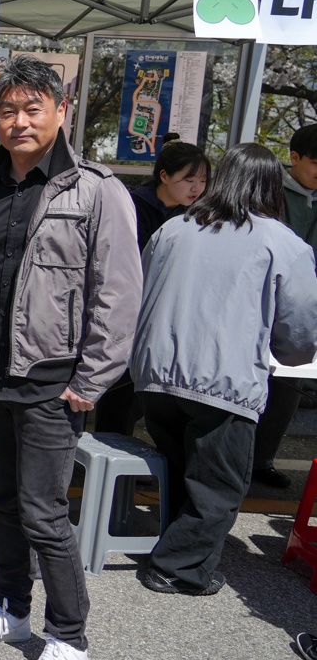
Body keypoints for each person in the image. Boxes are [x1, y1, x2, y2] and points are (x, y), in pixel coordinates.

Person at [0, 56, 141, 660]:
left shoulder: (94, 190)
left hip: (53, 381)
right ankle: (8, 605)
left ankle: (69, 639)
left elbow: (117, 294)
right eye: (7, 110)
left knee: (43, 512)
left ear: (60, 111)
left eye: (32, 109)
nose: (19, 121)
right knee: (0, 500)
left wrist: (93, 378)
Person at [132, 144, 317, 596]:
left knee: (180, 464)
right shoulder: (284, 243)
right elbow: (299, 335)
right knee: (220, 483)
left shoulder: (176, 228)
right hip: (223, 381)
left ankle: (174, 545)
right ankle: (178, 568)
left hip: (154, 374)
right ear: (271, 186)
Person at [94, 138, 209, 436]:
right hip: (126, 310)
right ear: (164, 176)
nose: (196, 188)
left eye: (202, 180)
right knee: (119, 390)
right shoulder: (134, 206)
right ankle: (108, 451)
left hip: (166, 312)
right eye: (188, 179)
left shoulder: (196, 215)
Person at [254, 125, 317, 489]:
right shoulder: (269, 189)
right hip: (264, 297)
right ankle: (238, 455)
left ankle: (262, 458)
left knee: (291, 382)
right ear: (294, 158)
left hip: (303, 303)